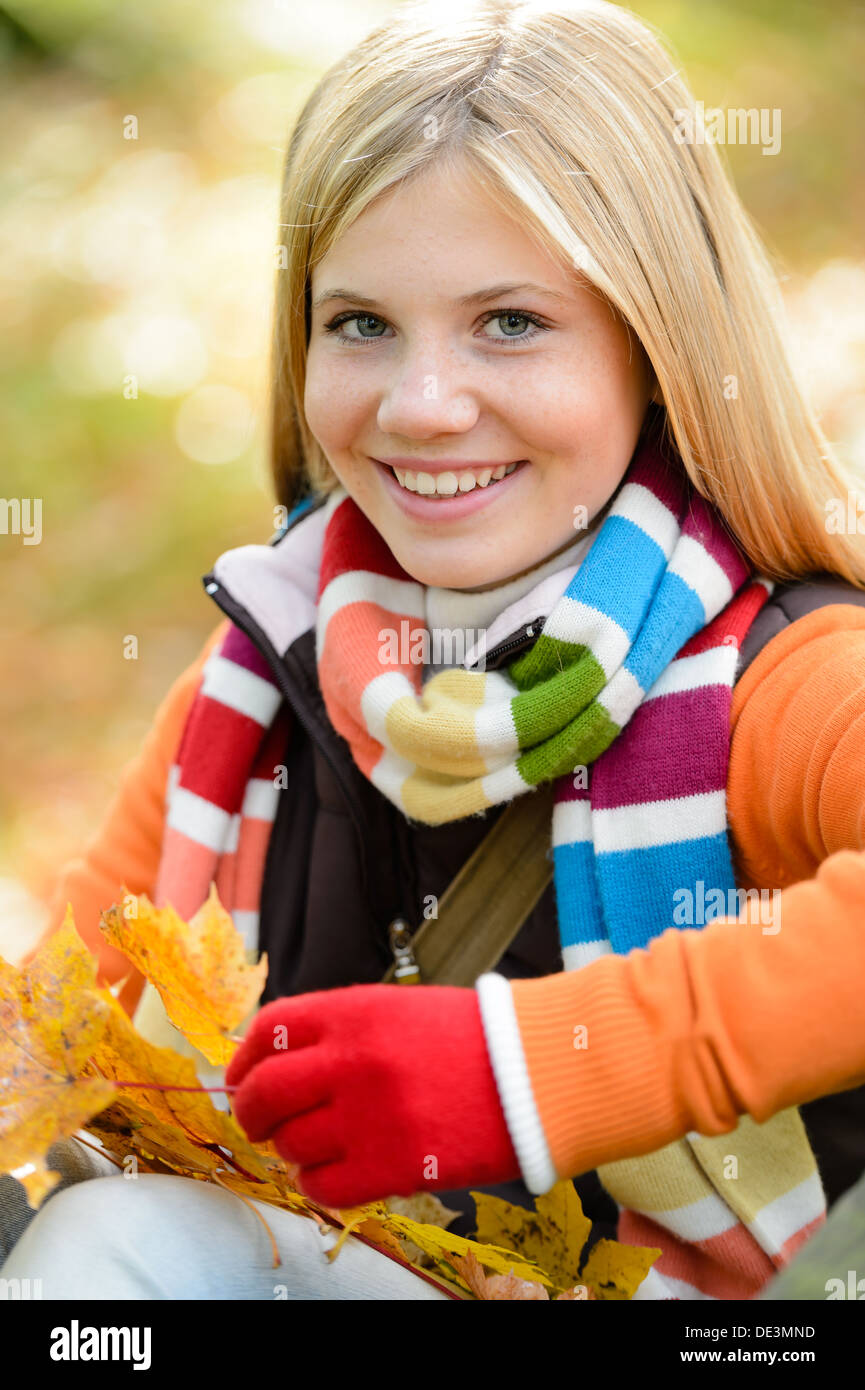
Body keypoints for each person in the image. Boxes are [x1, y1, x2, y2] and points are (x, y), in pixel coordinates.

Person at [4, 0, 865, 1302]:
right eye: (360, 323)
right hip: (375, 1266)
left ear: (657, 344)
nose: (420, 405)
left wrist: (527, 1072)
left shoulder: (779, 678)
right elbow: (47, 1026)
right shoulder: (262, 680)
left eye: (509, 322)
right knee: (105, 1253)